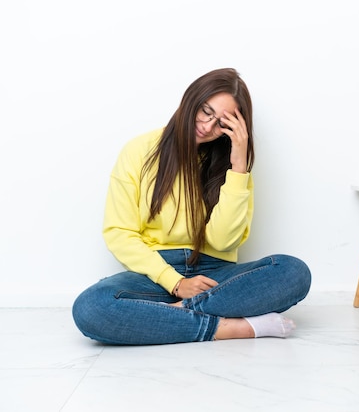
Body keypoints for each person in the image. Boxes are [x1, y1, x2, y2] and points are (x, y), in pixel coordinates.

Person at [72, 68, 311, 345]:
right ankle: (234, 329)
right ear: (191, 100)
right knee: (91, 307)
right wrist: (175, 282)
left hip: (215, 272)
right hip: (156, 271)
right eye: (206, 111)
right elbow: (119, 232)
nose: (208, 127)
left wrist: (239, 166)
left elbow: (222, 242)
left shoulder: (235, 168)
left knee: (294, 272)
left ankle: (169, 315)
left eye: (222, 123)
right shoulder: (139, 150)